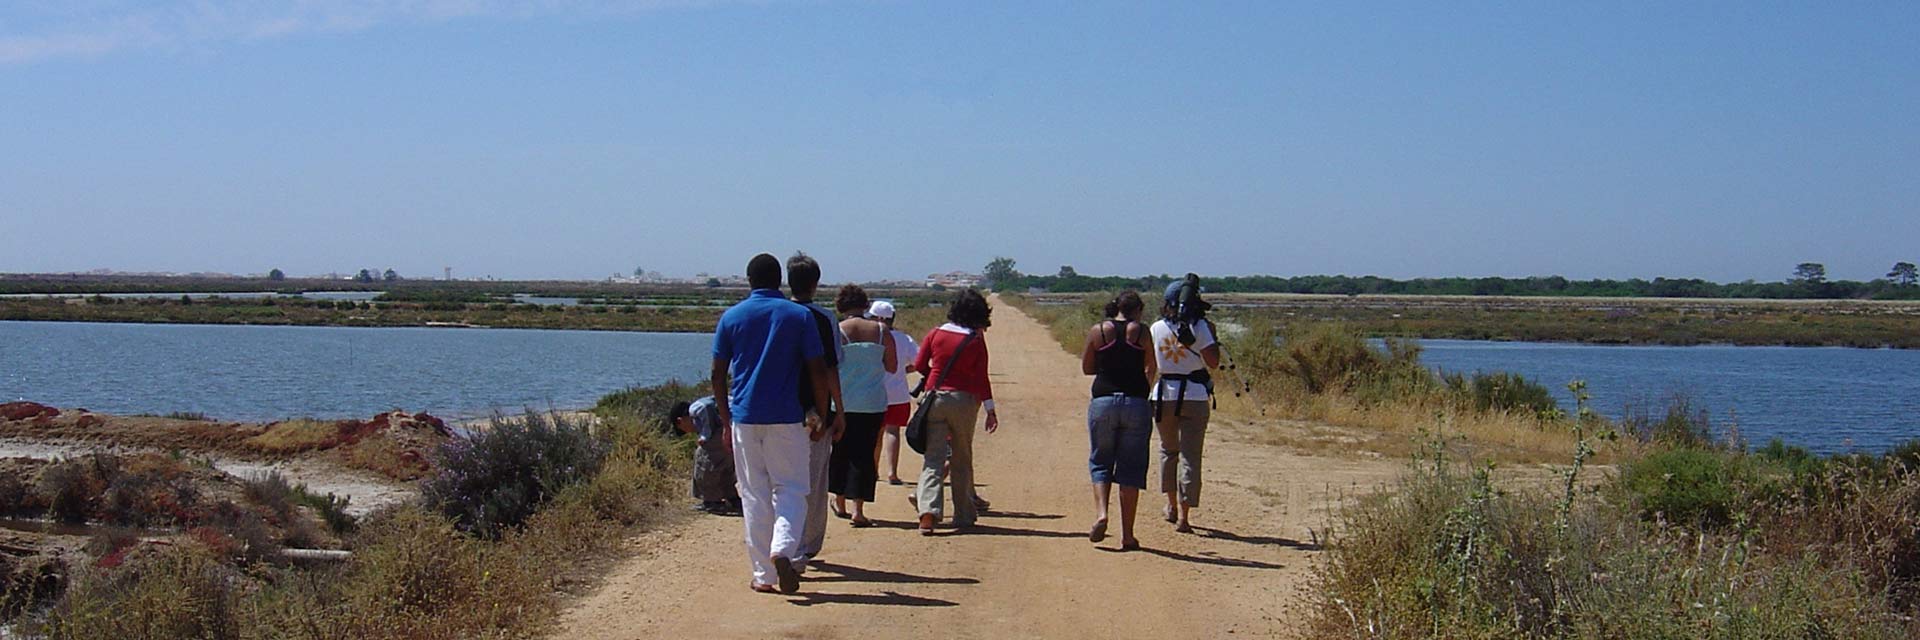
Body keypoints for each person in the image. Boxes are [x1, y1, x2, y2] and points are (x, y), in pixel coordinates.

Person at [711, 253, 834, 595]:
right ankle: (784, 549)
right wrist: (822, 414)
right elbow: (817, 369)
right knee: (792, 489)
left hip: (745, 417)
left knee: (753, 494)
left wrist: (725, 420)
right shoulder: (798, 316)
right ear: (779, 280)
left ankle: (764, 575)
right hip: (787, 418)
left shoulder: (731, 317)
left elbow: (717, 375)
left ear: (748, 281)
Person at [911, 288, 997, 535]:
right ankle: (963, 514)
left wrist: (933, 379)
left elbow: (919, 364)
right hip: (964, 400)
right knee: (961, 457)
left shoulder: (936, 333)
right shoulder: (975, 339)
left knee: (933, 458)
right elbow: (982, 377)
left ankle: (927, 513)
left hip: (935, 398)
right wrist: (990, 409)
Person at [1080, 291, 1156, 550]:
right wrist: (1144, 388)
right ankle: (1128, 534)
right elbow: (1150, 365)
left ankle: (1102, 513)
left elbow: (1087, 368)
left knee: (1101, 460)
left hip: (1103, 400)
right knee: (1131, 468)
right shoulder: (1143, 332)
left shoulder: (1098, 330)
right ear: (1139, 309)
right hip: (1135, 401)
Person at [786, 252, 844, 571]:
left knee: (779, 482)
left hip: (776, 410)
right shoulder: (823, 319)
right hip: (814, 412)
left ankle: (782, 542)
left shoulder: (776, 314)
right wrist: (838, 411)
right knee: (812, 480)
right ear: (816, 283)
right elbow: (831, 370)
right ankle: (804, 545)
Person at [1150, 276, 1220, 534]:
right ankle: (1185, 516)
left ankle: (1170, 506)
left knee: (1169, 451)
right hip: (1194, 395)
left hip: (1164, 394)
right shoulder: (1202, 327)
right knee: (1191, 455)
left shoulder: (1156, 328)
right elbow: (1213, 362)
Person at [827, 285, 896, 527]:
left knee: (840, 452)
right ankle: (859, 509)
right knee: (864, 454)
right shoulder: (881, 330)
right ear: (865, 305)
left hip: (842, 403)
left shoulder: (837, 330)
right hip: (873, 402)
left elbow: (829, 366)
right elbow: (892, 366)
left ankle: (840, 501)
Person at [867, 300, 918, 485]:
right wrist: (905, 371)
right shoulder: (904, 338)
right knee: (893, 431)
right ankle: (892, 472)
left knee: (876, 434)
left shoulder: (871, 337)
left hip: (874, 393)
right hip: (898, 393)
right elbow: (918, 361)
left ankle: (873, 470)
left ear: (879, 318)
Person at [672, 396, 740, 515]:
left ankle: (712, 501)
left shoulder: (695, 409)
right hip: (735, 424)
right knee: (727, 463)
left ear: (680, 420)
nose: (689, 431)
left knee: (704, 462)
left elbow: (706, 407)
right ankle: (732, 497)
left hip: (720, 430)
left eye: (683, 429)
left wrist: (705, 435)